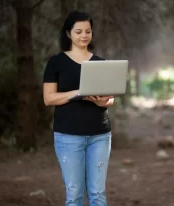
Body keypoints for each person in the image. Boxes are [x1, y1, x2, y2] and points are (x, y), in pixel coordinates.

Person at [42, 10, 114, 206]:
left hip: (100, 135)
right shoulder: (56, 63)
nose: (84, 36)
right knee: (74, 195)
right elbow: (48, 98)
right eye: (79, 31)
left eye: (88, 31)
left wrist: (101, 101)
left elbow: (110, 99)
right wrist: (77, 93)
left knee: (98, 194)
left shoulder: (100, 63)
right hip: (68, 136)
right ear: (68, 34)